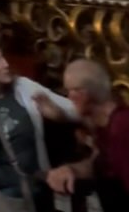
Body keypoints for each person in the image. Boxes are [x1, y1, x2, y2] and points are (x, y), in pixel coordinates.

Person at [0, 33, 76, 211]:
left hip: (31, 185)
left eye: (2, 57)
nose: (6, 64)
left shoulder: (23, 86)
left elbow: (75, 109)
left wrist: (59, 114)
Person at [41, 58, 129, 208]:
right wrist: (72, 170)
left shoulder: (122, 129)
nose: (69, 98)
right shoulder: (105, 126)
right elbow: (99, 165)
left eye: (69, 91)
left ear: (82, 95)